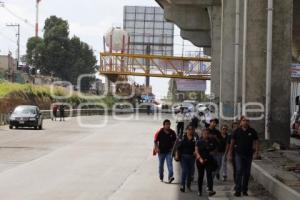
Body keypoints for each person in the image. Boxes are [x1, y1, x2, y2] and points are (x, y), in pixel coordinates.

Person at [228, 116, 259, 197]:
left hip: (249, 155)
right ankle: (238, 190)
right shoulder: (237, 131)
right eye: (244, 120)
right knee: (239, 170)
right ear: (241, 122)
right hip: (238, 154)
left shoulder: (252, 131)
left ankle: (244, 189)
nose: (246, 122)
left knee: (247, 173)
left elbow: (256, 141)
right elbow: (232, 142)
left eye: (247, 121)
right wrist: (230, 153)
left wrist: (256, 152)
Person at [195, 128, 217, 197]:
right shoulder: (199, 141)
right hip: (200, 161)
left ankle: (210, 190)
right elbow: (196, 151)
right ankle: (199, 190)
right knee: (200, 176)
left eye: (207, 133)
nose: (206, 135)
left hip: (209, 161)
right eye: (205, 133)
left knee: (209, 175)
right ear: (202, 134)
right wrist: (200, 158)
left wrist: (213, 152)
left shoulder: (212, 141)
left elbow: (216, 148)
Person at [177, 125, 196, 192]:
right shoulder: (182, 138)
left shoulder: (195, 138)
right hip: (183, 157)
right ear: (186, 130)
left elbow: (198, 146)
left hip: (192, 158)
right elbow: (178, 147)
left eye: (192, 129)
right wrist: (177, 155)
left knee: (190, 172)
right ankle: (182, 185)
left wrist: (196, 152)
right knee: (185, 170)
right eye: (189, 129)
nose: (190, 130)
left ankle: (188, 185)